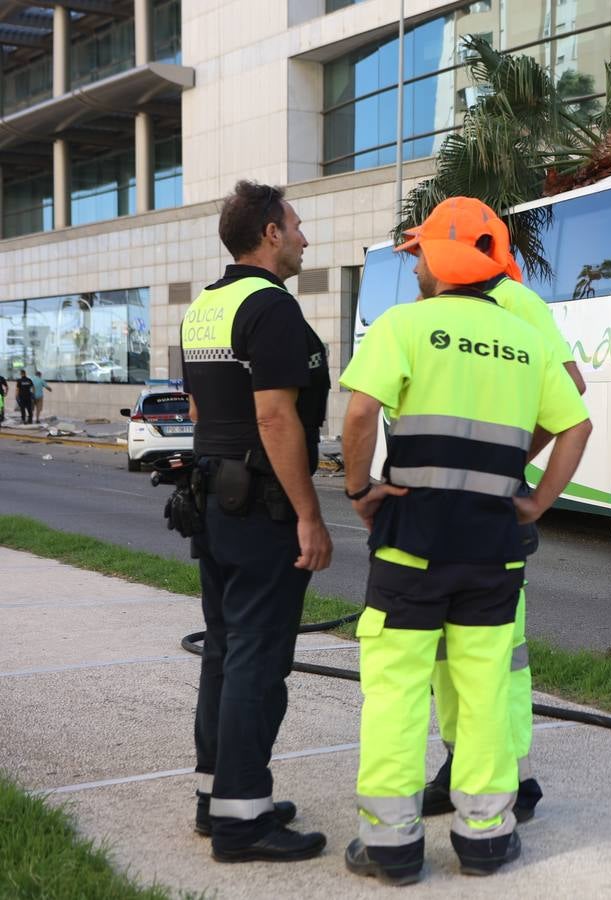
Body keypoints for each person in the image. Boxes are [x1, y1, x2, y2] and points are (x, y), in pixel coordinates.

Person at [340, 196, 591, 885]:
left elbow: (360, 412)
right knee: (484, 691)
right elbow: (577, 425)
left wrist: (359, 490)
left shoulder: (405, 325)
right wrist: (537, 500)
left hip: (410, 546)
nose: (415, 261)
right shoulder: (528, 340)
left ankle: (390, 847)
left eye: (420, 251)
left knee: (397, 690)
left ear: (442, 255)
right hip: (493, 549)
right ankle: (484, 837)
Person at [415, 213, 586, 827]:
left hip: (483, 508)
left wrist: (511, 461)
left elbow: (571, 390)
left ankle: (514, 775)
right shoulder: (436, 308)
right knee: (447, 652)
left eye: (426, 250)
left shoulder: (515, 301)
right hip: (447, 507)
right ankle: (465, 763)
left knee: (497, 652)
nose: (417, 263)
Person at [180, 180, 332, 863]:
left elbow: (196, 413)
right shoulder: (271, 308)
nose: (304, 237)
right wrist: (309, 515)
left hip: (213, 499)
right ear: (269, 233)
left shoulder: (204, 308)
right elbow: (275, 418)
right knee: (257, 661)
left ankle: (220, 801)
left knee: (223, 649)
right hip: (262, 505)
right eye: (296, 226)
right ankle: (245, 822)